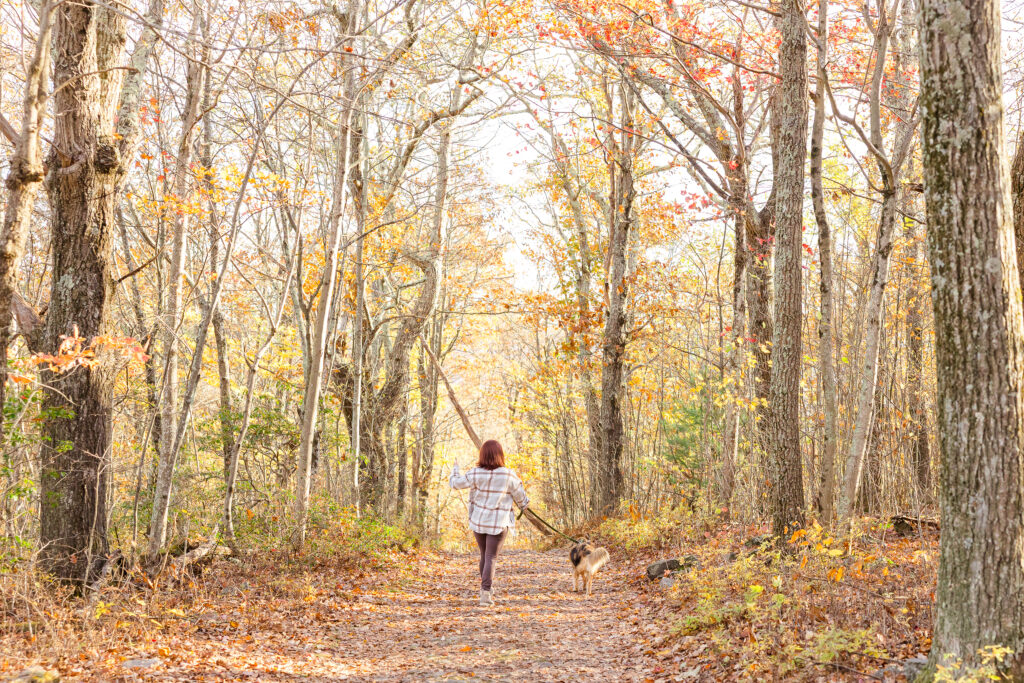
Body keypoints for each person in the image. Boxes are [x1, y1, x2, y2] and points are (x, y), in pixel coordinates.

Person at [449, 439, 529, 607]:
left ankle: (486, 589)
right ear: (500, 455)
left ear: (483, 455)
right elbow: (520, 496)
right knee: (490, 557)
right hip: (498, 523)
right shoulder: (508, 475)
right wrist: (524, 505)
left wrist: (455, 469)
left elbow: (455, 484)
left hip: (479, 522)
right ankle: (485, 592)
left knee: (485, 555)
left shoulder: (475, 473)